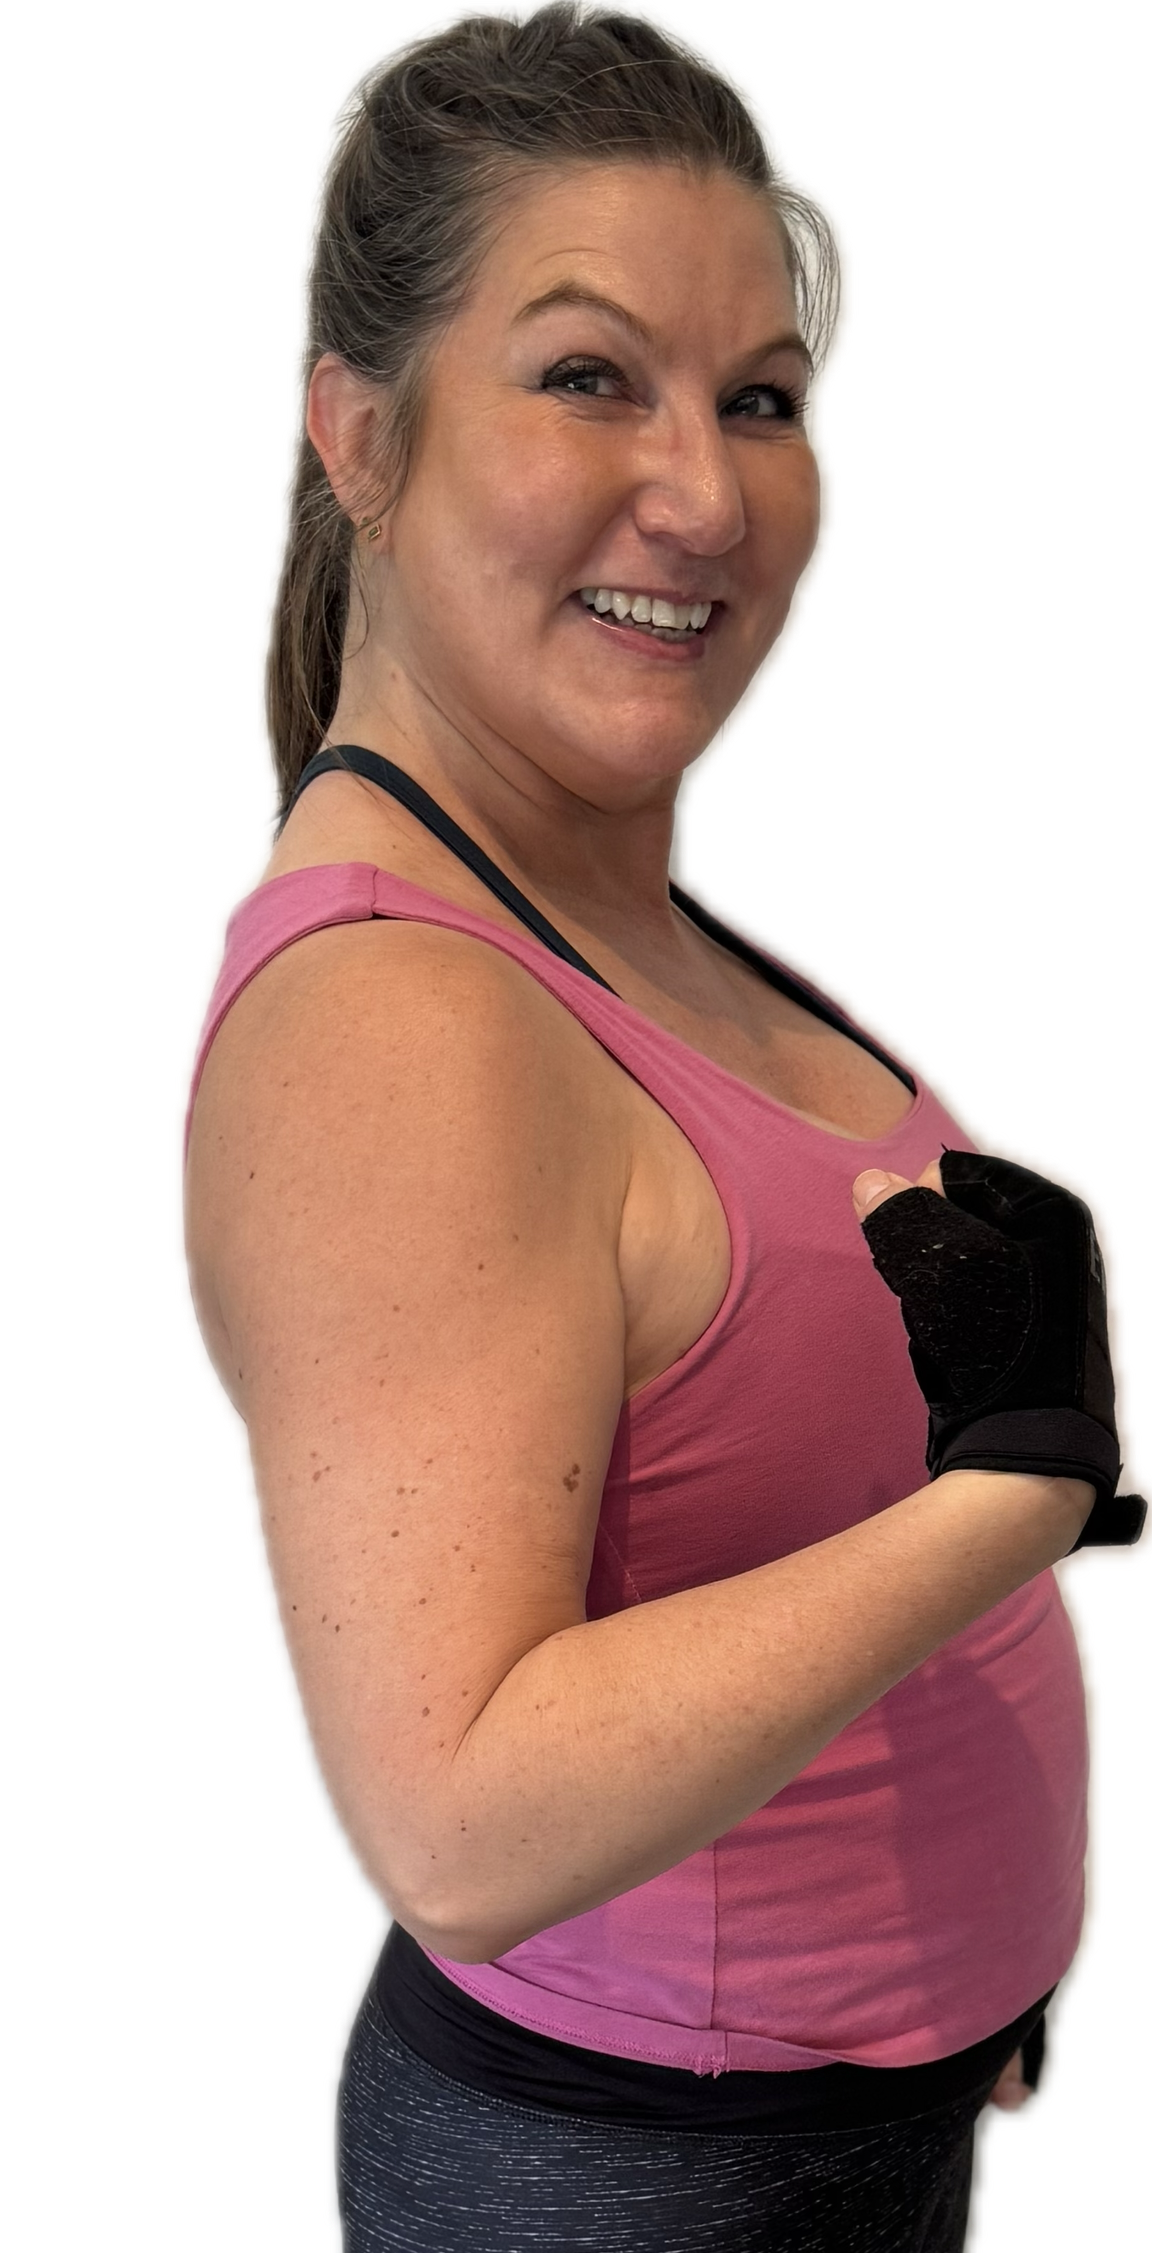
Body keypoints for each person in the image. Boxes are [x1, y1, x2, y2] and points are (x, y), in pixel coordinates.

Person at [174, 5, 1144, 2247]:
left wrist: (948, 1966)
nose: (705, 492)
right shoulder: (399, 1015)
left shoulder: (616, 904)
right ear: (359, 430)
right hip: (638, 2183)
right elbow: (460, 1816)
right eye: (590, 375)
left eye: (764, 399)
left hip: (805, 2133)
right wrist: (1010, 1500)